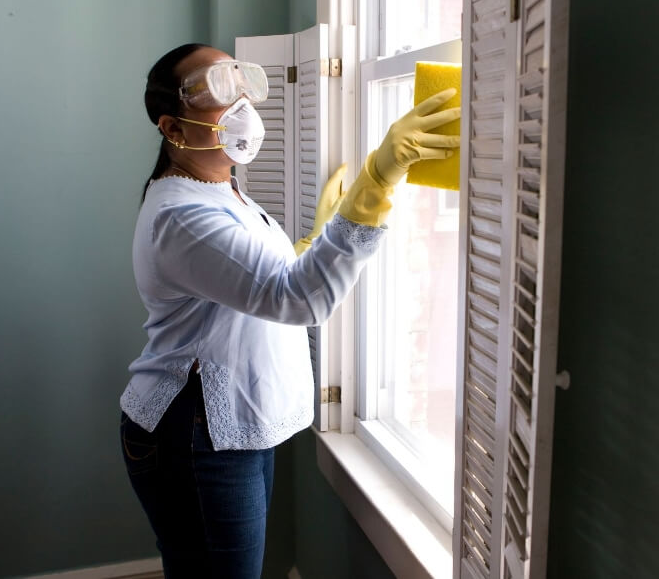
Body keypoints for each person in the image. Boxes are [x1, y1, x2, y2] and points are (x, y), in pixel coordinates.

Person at [119, 42, 459, 578]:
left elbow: (251, 280)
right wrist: (377, 180)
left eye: (241, 80)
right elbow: (298, 298)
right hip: (196, 432)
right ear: (173, 128)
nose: (242, 102)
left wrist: (317, 238)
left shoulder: (221, 190)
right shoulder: (181, 214)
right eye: (216, 89)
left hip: (227, 424)